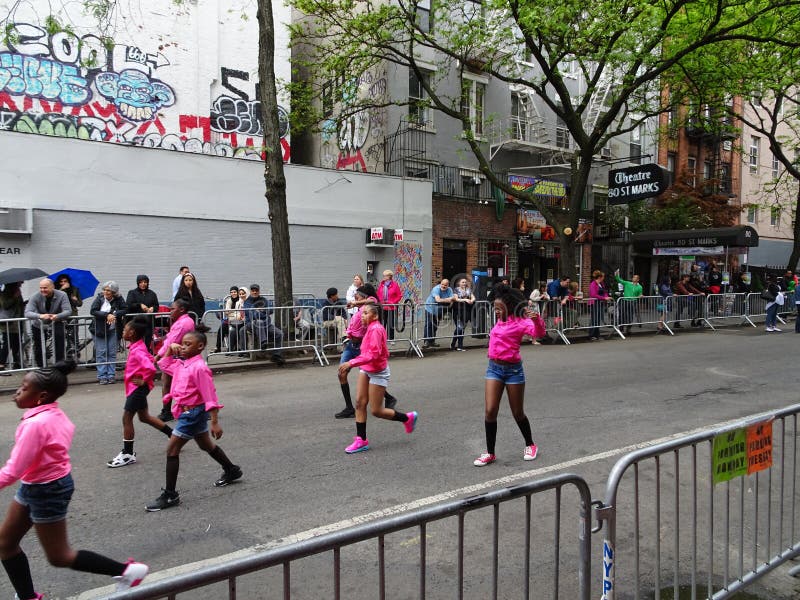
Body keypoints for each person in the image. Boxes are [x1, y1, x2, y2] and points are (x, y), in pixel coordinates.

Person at [0, 361, 148, 598]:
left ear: (42, 396)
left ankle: (129, 571)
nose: (17, 391)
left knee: (59, 556)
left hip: (47, 489)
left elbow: (12, 471)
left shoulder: (36, 424)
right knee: (5, 543)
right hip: (38, 484)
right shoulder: (51, 413)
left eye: (24, 387)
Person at [146, 329, 243, 511]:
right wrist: (169, 351)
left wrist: (214, 421)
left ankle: (170, 495)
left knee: (172, 449)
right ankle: (231, 469)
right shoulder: (182, 364)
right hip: (186, 412)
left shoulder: (199, 368)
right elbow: (164, 365)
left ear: (200, 347)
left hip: (193, 413)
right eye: (182, 343)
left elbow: (209, 395)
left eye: (188, 344)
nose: (183, 347)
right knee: (206, 444)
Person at [337, 303, 417, 454]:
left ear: (375, 316)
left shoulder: (376, 329)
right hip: (367, 369)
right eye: (362, 312)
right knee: (360, 403)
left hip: (378, 372)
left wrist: (351, 362)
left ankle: (407, 418)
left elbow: (373, 354)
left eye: (366, 313)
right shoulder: (369, 327)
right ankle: (361, 440)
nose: (362, 315)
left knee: (377, 411)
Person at [473, 284, 539, 467]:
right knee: (490, 411)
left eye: (498, 308)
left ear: (508, 307)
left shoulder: (520, 321)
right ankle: (490, 453)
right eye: (494, 307)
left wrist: (537, 320)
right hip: (493, 368)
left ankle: (530, 444)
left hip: (513, 371)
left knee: (517, 413)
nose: (495, 311)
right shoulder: (499, 320)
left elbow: (538, 334)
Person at [106, 318, 174, 468]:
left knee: (126, 418)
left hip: (137, 389)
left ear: (132, 333)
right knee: (144, 417)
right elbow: (149, 359)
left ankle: (127, 454)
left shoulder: (137, 350)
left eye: (125, 330)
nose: (122, 332)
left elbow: (149, 368)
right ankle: (173, 434)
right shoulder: (138, 346)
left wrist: (144, 380)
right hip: (136, 389)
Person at [336, 285, 398, 419]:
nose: (354, 297)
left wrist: (356, 303)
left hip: (361, 348)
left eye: (357, 295)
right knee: (341, 373)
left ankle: (389, 398)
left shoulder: (368, 307)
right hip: (351, 346)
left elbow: (373, 301)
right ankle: (349, 408)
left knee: (368, 375)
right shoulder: (359, 310)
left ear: (364, 296)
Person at [154, 299, 197, 422]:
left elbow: (171, 341)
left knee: (171, 383)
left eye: (173, 309)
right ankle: (168, 410)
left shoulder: (183, 323)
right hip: (178, 356)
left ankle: (168, 411)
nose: (170, 311)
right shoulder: (183, 321)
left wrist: (158, 356)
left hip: (178, 357)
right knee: (169, 382)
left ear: (181, 309)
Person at [24, 279, 71, 368]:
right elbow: (27, 313)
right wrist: (40, 316)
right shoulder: (35, 296)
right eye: (41, 288)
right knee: (38, 346)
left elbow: (68, 311)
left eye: (45, 288)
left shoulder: (62, 295)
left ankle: (59, 366)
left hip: (56, 321)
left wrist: (57, 316)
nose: (42, 290)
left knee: (59, 343)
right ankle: (41, 367)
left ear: (52, 287)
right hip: (38, 323)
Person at [90, 282, 127, 385]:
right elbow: (93, 311)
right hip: (100, 330)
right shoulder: (100, 298)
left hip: (113, 329)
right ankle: (102, 376)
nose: (105, 292)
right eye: (104, 290)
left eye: (108, 290)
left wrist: (114, 314)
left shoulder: (119, 299)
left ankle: (111, 375)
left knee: (111, 352)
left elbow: (125, 309)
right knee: (101, 352)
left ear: (114, 292)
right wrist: (107, 315)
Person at [243, 284, 285, 365]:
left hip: (266, 324)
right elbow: (253, 315)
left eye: (256, 290)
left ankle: (276, 355)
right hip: (251, 324)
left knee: (279, 333)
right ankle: (263, 343)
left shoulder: (264, 300)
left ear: (259, 291)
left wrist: (260, 311)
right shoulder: (247, 302)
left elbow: (271, 310)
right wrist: (263, 312)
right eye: (253, 290)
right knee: (259, 321)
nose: (255, 292)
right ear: (250, 291)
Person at [125, 275, 159, 350]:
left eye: (145, 282)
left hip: (149, 323)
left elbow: (156, 305)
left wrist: (153, 308)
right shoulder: (132, 293)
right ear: (138, 283)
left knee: (147, 343)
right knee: (136, 344)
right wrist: (139, 305)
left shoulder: (152, 293)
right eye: (141, 282)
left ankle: (145, 357)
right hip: (136, 323)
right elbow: (129, 305)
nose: (143, 284)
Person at [55, 274, 82, 361]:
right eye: (61, 281)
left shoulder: (74, 289)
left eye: (65, 281)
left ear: (68, 282)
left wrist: (75, 299)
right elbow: (54, 301)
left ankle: (74, 358)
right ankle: (61, 358)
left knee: (74, 336)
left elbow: (80, 304)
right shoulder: (56, 290)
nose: (63, 283)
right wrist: (61, 290)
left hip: (72, 315)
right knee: (61, 337)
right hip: (61, 315)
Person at [422, 278, 454, 348]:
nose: (443, 286)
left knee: (435, 325)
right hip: (430, 308)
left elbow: (452, 301)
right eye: (442, 284)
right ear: (440, 284)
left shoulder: (450, 290)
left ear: (448, 285)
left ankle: (432, 341)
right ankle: (426, 341)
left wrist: (448, 301)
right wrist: (448, 300)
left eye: (445, 285)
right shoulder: (436, 289)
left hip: (439, 310)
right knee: (429, 324)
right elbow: (438, 300)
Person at [0, 282, 24, 372]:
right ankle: (1, 363)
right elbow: (5, 305)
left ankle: (17, 363)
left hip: (18, 322)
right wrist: (15, 296)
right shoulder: (4, 293)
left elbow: (18, 306)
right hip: (8, 323)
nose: (21, 284)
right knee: (7, 343)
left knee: (17, 343)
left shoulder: (17, 291)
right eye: (20, 283)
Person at [377, 270, 403, 343]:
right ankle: (381, 338)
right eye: (383, 275)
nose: (383, 277)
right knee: (382, 323)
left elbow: (399, 296)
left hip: (391, 307)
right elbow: (378, 294)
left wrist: (393, 302)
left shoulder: (395, 285)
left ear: (389, 276)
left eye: (385, 275)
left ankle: (391, 339)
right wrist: (379, 302)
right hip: (382, 307)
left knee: (390, 323)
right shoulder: (381, 285)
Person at [450, 278, 475, 351]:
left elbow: (473, 297)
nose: (464, 283)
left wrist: (471, 300)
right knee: (459, 327)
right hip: (457, 310)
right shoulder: (456, 290)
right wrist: (465, 299)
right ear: (459, 283)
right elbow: (456, 299)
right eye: (462, 282)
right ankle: (454, 343)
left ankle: (459, 346)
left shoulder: (468, 289)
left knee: (462, 328)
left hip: (466, 310)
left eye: (465, 282)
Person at [587, 270, 610, 341]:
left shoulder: (601, 284)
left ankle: (597, 335)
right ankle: (591, 335)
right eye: (603, 277)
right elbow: (594, 294)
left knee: (598, 319)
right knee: (594, 319)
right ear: (600, 277)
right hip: (594, 303)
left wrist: (606, 296)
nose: (604, 278)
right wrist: (604, 298)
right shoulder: (593, 284)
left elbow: (604, 291)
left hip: (600, 303)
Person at [215, 286, 239, 353]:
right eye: (231, 292)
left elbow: (239, 313)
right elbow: (226, 312)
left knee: (234, 329)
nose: (233, 294)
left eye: (234, 292)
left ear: (237, 292)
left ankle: (233, 347)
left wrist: (231, 312)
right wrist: (234, 312)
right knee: (221, 328)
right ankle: (218, 347)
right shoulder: (229, 301)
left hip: (238, 321)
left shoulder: (240, 300)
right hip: (229, 321)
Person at [226, 287, 247, 353]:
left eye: (243, 294)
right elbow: (235, 313)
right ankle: (230, 349)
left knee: (241, 330)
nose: (241, 295)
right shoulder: (238, 303)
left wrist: (243, 317)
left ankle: (242, 350)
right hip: (238, 321)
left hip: (246, 322)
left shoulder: (248, 302)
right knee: (232, 330)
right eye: (240, 294)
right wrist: (238, 316)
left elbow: (249, 313)